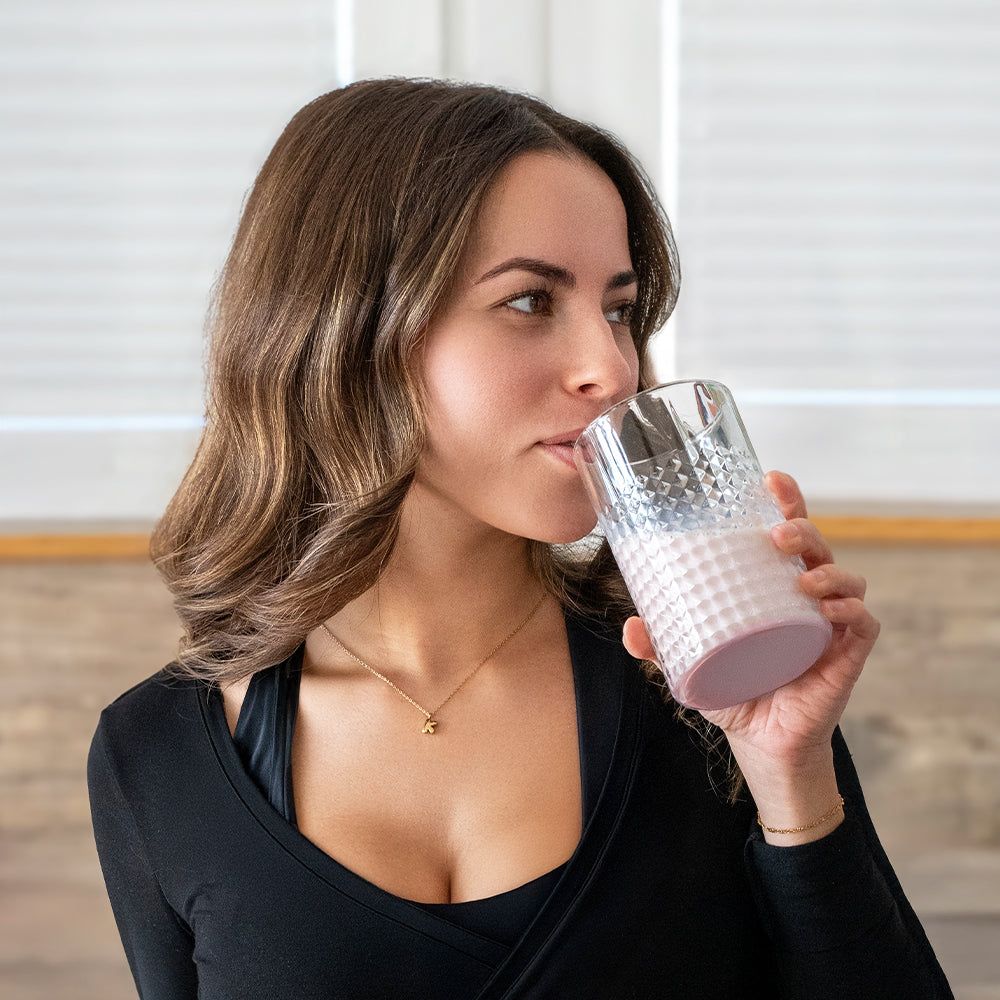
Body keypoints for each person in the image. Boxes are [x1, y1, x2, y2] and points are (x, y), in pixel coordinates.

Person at [86, 77, 955, 999]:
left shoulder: (704, 693)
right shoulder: (157, 758)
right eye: (531, 302)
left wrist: (794, 782)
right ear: (344, 327)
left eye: (618, 309)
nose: (610, 368)